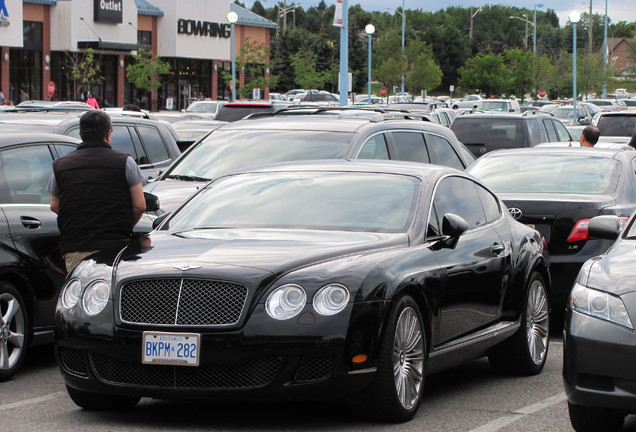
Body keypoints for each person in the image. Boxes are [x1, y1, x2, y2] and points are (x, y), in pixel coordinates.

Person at [47, 110, 146, 272]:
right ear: (108, 134)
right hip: (115, 246)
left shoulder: (60, 165)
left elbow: (54, 205)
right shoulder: (125, 162)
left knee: (79, 293)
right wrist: (121, 225)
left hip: (75, 247)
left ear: (80, 134)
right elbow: (140, 206)